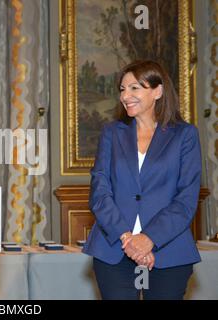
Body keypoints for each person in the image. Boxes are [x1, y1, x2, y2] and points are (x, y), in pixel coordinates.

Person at [83, 60, 201, 300]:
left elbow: (186, 199)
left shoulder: (185, 135)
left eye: (134, 88)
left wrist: (149, 239)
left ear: (157, 91)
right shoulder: (111, 133)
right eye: (122, 89)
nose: (126, 95)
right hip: (114, 250)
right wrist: (128, 239)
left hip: (169, 251)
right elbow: (100, 191)